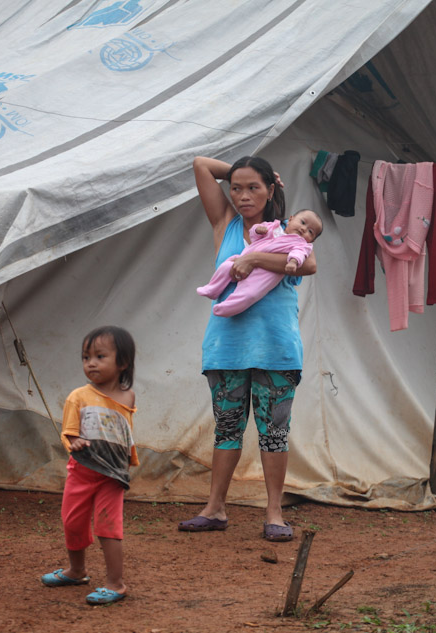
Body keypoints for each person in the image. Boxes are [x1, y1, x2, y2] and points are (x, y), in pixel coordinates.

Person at [179, 155, 316, 542]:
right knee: (227, 429)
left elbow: (308, 266)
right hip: (226, 348)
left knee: (274, 432)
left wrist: (255, 256)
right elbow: (201, 166)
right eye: (236, 188)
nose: (242, 196)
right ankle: (215, 508)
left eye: (253, 187)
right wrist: (249, 171)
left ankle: (274, 512)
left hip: (276, 349)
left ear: (271, 191)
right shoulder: (226, 226)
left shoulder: (291, 231)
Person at [41, 326, 137, 604]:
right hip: (81, 472)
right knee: (73, 522)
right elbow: (70, 431)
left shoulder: (128, 397)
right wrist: (75, 442)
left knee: (109, 526)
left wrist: (129, 461)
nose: (91, 363)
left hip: (112, 475)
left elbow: (124, 432)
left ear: (123, 362)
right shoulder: (78, 397)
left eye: (99, 356)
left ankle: (115, 583)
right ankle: (77, 570)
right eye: (86, 357)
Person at [197, 209, 322, 317]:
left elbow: (299, 254)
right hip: (243, 258)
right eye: (303, 222)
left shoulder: (301, 244)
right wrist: (258, 230)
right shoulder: (274, 227)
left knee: (250, 293)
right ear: (290, 219)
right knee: (225, 267)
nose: (303, 229)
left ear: (312, 240)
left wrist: (293, 262)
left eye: (310, 232)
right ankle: (212, 288)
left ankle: (228, 306)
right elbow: (254, 237)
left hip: (266, 273)